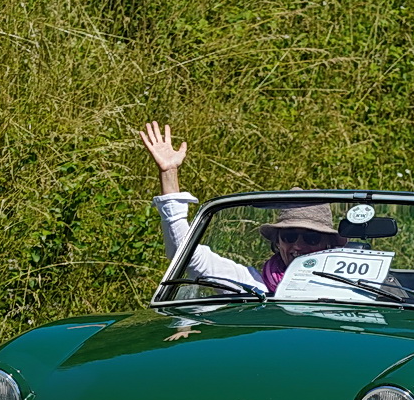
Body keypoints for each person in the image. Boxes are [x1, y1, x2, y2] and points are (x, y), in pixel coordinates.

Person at [138, 121, 346, 294]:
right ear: (278, 242)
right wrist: (169, 172)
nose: (298, 246)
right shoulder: (254, 286)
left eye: (311, 238)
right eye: (289, 236)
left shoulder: (345, 289)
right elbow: (185, 254)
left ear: (327, 245)